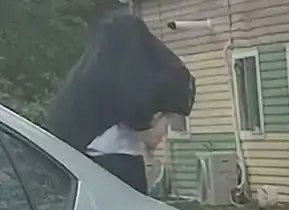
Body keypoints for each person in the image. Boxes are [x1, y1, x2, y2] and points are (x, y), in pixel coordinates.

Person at [46, 10, 195, 194]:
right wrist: (158, 122)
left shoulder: (84, 77)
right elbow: (146, 126)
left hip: (72, 160)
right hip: (113, 160)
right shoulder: (125, 77)